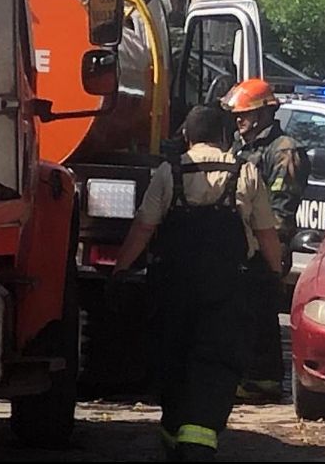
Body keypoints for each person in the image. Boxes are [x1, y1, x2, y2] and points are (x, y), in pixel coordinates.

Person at [111, 106, 282, 461]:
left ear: (187, 136)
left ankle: (174, 429)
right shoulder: (246, 172)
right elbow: (267, 234)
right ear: (224, 136)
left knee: (173, 352)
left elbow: (143, 227)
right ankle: (199, 438)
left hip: (174, 284)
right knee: (217, 358)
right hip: (226, 286)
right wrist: (275, 272)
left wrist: (120, 268)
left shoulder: (167, 172)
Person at [223, 79, 310, 403]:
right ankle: (249, 375)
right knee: (242, 310)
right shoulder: (242, 146)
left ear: (262, 114)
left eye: (243, 115)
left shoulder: (284, 151)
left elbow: (281, 208)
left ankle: (265, 380)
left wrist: (263, 246)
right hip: (243, 240)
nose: (238, 121)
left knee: (260, 311)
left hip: (267, 243)